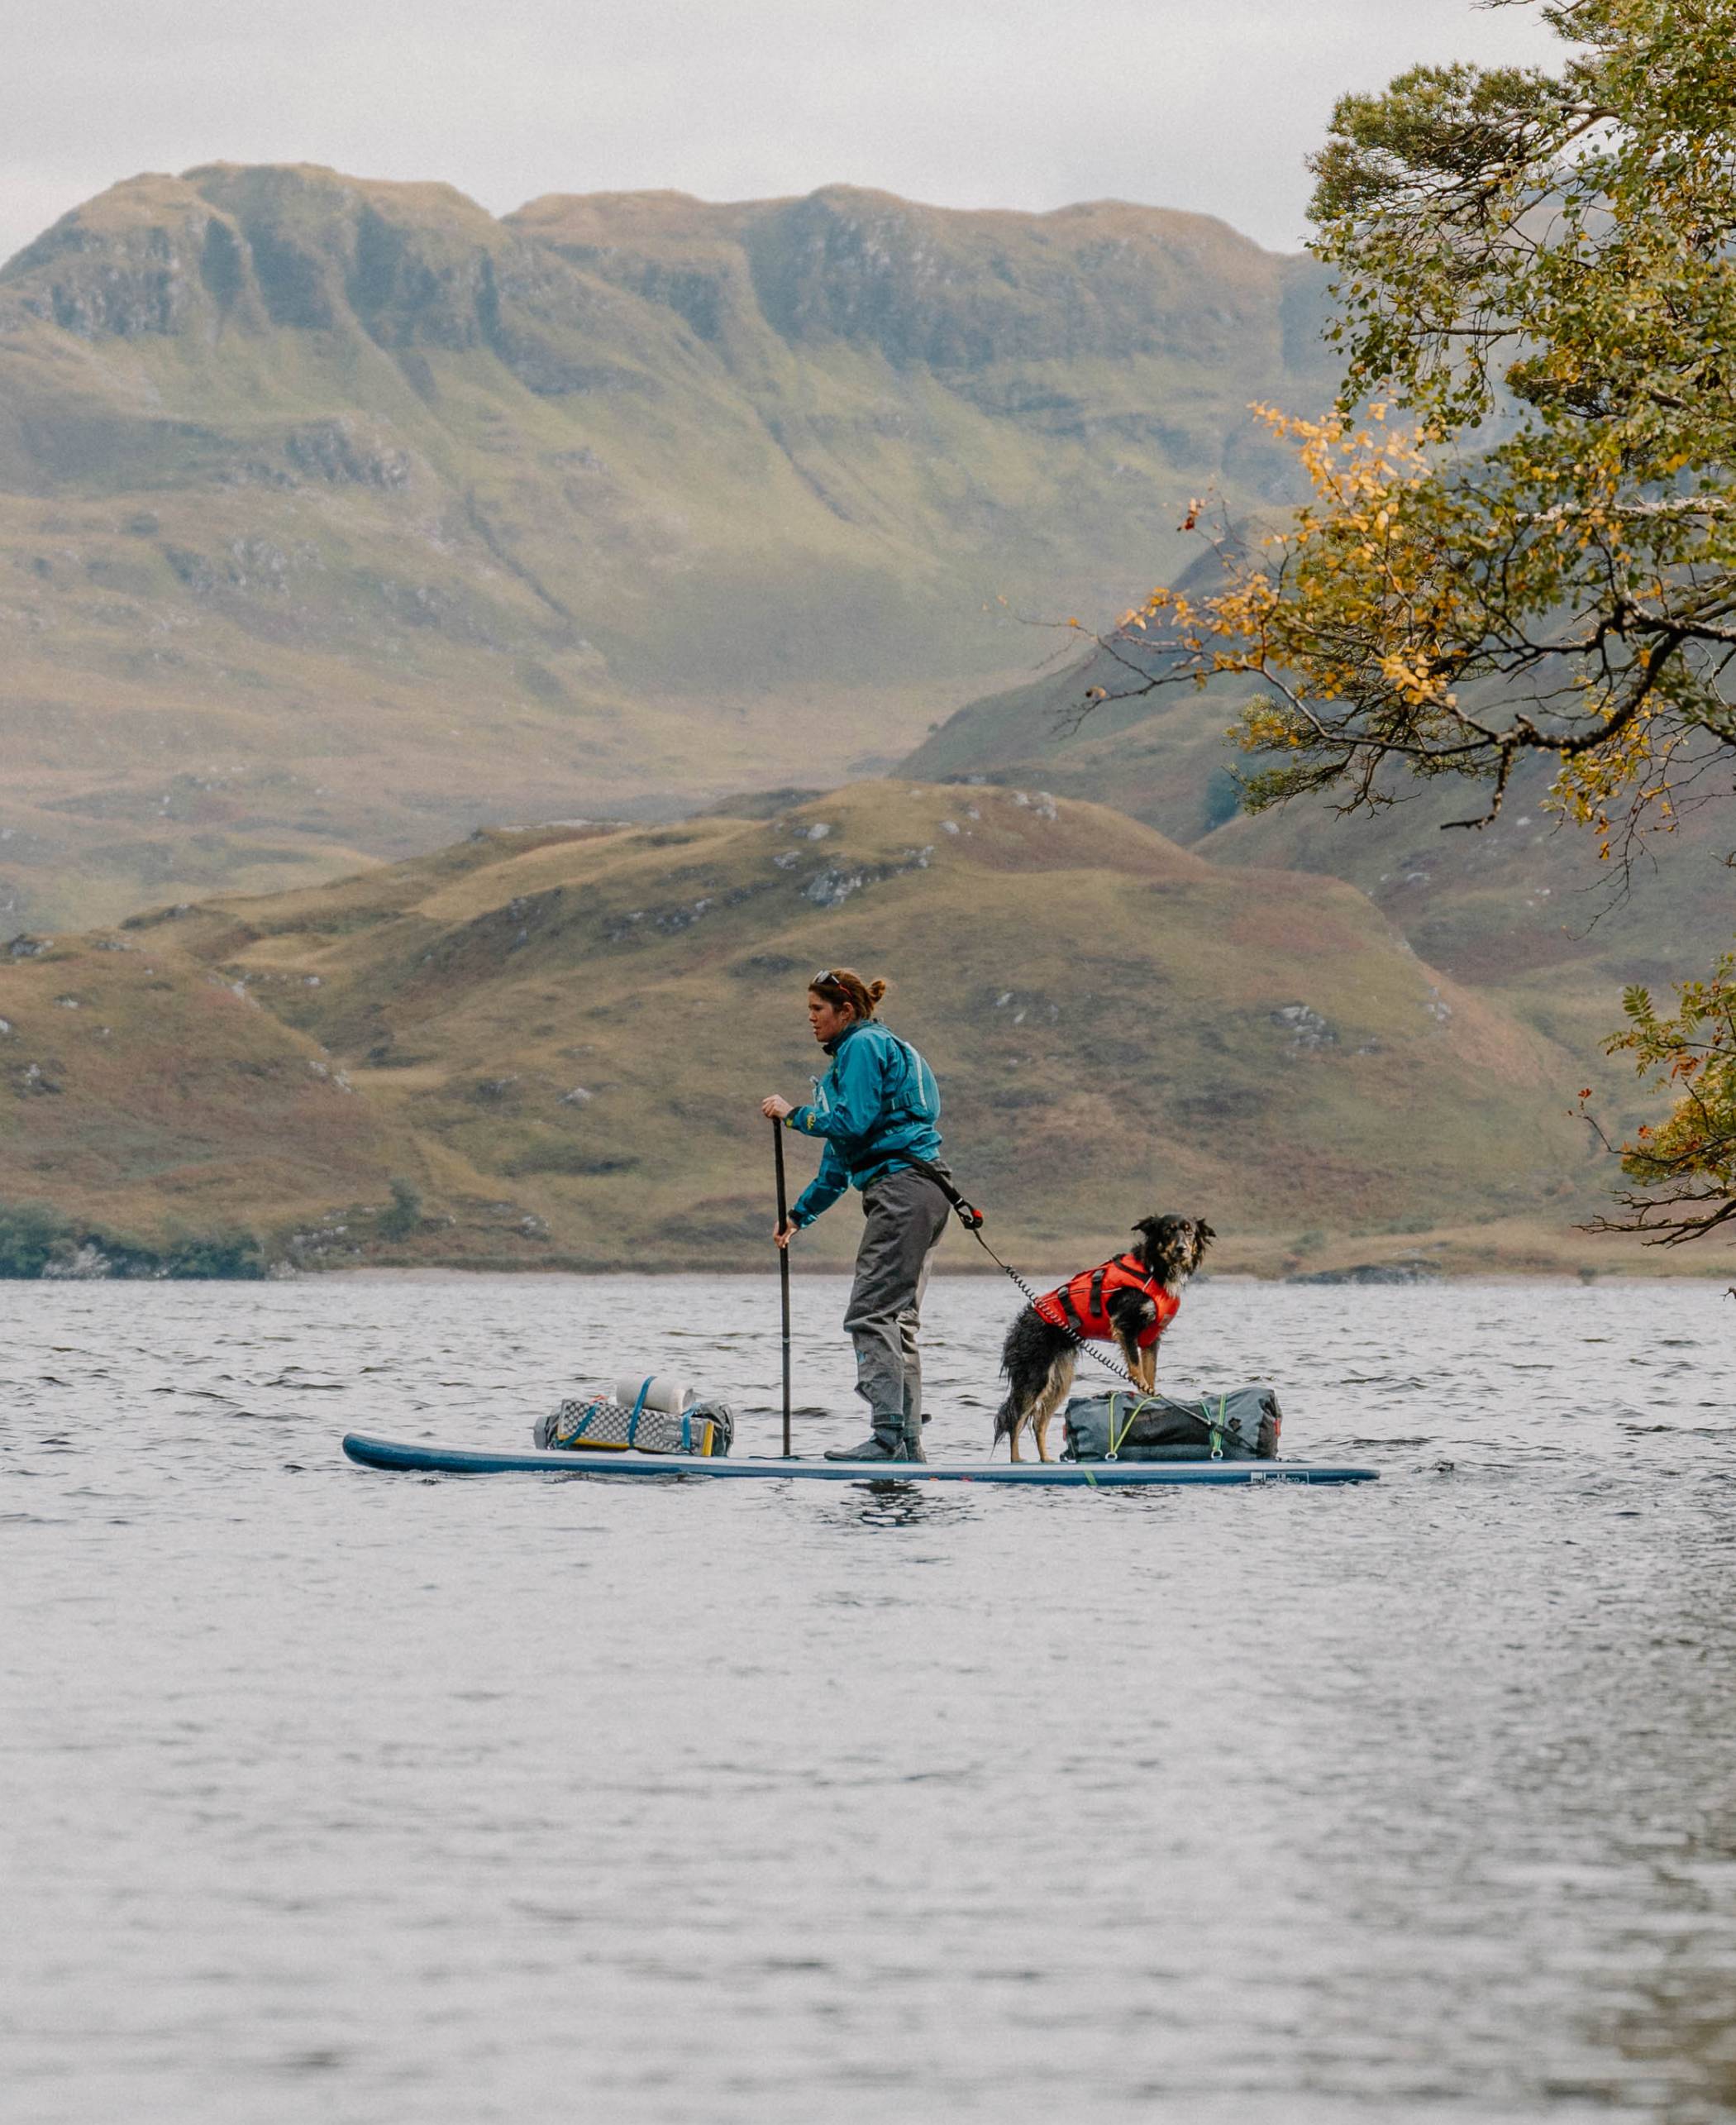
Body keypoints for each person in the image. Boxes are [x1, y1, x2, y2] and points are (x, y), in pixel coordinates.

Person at [760, 968, 951, 1462]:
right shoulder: (859, 1056)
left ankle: (887, 1437)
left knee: (871, 1312)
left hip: (903, 1189)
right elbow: (840, 1160)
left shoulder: (863, 1047)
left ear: (846, 1011)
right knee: (899, 1317)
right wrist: (799, 1215)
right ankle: (908, 1443)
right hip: (926, 1189)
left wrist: (793, 1113)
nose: (810, 1019)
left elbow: (851, 1121)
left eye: (818, 1010)